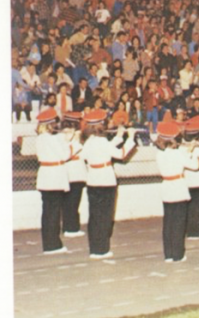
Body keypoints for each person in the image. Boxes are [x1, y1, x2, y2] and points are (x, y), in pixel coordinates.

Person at [80, 110, 136, 259]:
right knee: (105, 216)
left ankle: (95, 248)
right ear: (100, 126)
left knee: (95, 216)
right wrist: (130, 138)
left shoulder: (88, 142)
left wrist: (118, 136)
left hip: (92, 180)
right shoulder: (102, 142)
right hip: (106, 180)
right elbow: (121, 154)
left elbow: (100, 151)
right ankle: (102, 249)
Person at [154, 121, 199, 262]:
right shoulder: (177, 153)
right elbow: (194, 165)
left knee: (168, 221)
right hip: (178, 187)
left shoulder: (160, 154)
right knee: (178, 223)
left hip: (167, 186)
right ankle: (178, 254)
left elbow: (177, 159)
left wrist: (188, 149)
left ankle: (168, 254)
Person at [35, 108, 77, 254]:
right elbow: (65, 155)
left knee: (48, 212)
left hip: (46, 175)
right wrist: (71, 142)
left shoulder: (41, 138)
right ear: (50, 124)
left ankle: (50, 243)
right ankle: (53, 245)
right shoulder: (51, 138)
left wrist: (63, 138)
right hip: (54, 176)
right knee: (53, 212)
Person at [61, 112, 87, 238]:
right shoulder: (67, 134)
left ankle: (71, 227)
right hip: (73, 171)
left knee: (72, 201)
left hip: (77, 170)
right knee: (72, 201)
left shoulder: (75, 135)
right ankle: (71, 228)